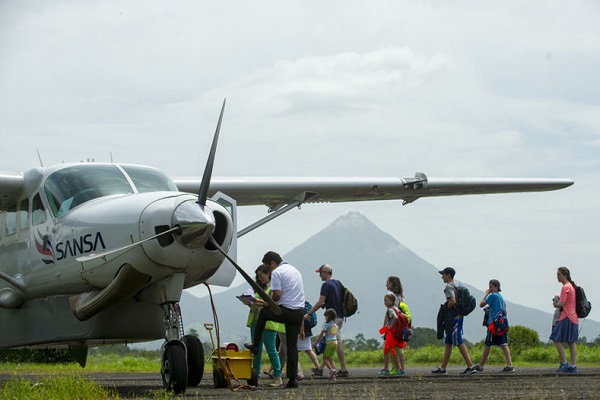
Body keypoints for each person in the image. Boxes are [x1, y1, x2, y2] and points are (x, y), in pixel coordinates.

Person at [245, 251, 305, 388]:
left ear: (272, 263)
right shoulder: (295, 270)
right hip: (298, 313)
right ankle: (292, 380)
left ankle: (255, 345)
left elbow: (277, 295)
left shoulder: (277, 272)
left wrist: (267, 303)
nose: (269, 270)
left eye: (268, 267)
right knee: (291, 347)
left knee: (264, 314)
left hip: (286, 310)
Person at [304, 264, 349, 378]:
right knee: (330, 342)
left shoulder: (326, 285)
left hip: (333, 319)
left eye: (320, 273)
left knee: (336, 342)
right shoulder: (337, 283)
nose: (319, 275)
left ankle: (343, 369)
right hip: (340, 317)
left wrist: (309, 313)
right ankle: (320, 368)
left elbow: (320, 302)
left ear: (326, 273)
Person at [431, 267, 477, 375]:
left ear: (448, 275)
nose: (442, 277)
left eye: (443, 274)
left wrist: (444, 310)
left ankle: (470, 366)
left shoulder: (449, 287)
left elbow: (452, 301)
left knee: (458, 341)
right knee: (448, 342)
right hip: (459, 316)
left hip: (454, 318)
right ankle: (442, 369)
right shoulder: (458, 284)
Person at [245, 265, 285, 386]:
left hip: (268, 323)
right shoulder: (259, 288)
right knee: (256, 350)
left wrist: (259, 302)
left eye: (261, 275)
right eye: (258, 276)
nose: (260, 278)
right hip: (256, 323)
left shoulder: (273, 288)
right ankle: (255, 376)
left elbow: (272, 303)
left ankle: (278, 376)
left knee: (271, 350)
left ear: (269, 274)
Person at [473, 279, 515, 373]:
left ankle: (481, 365)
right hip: (502, 323)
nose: (490, 289)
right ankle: (510, 365)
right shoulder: (501, 297)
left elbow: (481, 304)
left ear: (496, 287)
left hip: (493, 324)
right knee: (504, 344)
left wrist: (486, 294)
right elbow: (505, 311)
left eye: (491, 287)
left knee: (488, 343)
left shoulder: (492, 295)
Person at [549, 266, 579, 373]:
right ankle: (573, 365)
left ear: (565, 275)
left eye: (559, 275)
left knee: (555, 338)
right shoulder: (571, 287)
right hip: (573, 317)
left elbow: (562, 304)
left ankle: (564, 362)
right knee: (571, 341)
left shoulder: (565, 287)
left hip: (565, 316)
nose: (557, 277)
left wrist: (555, 303)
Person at [379, 293, 409, 377]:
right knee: (400, 352)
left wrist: (390, 326)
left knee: (390, 351)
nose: (384, 302)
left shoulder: (390, 310)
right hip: (398, 334)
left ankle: (394, 369)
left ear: (392, 301)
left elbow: (395, 318)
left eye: (386, 300)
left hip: (393, 334)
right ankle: (401, 369)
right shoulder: (397, 309)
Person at [378, 276, 404, 376]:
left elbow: (388, 313)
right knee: (397, 348)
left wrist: (384, 326)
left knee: (389, 347)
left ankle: (392, 367)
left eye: (387, 282)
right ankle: (398, 368)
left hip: (392, 325)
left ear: (392, 283)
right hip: (399, 326)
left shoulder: (390, 295)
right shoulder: (400, 296)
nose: (386, 285)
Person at [297, 301, 321, 381]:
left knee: (293, 351)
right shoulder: (306, 305)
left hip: (300, 331)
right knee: (309, 350)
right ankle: (318, 367)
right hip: (307, 331)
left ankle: (297, 371)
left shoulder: (297, 305)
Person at [313, 308, 339, 381]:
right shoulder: (335, 324)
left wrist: (316, 342)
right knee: (331, 359)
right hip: (335, 342)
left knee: (325, 358)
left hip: (329, 343)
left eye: (326, 316)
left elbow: (322, 334)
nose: (325, 317)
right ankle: (334, 376)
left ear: (329, 316)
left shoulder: (326, 324)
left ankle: (331, 370)